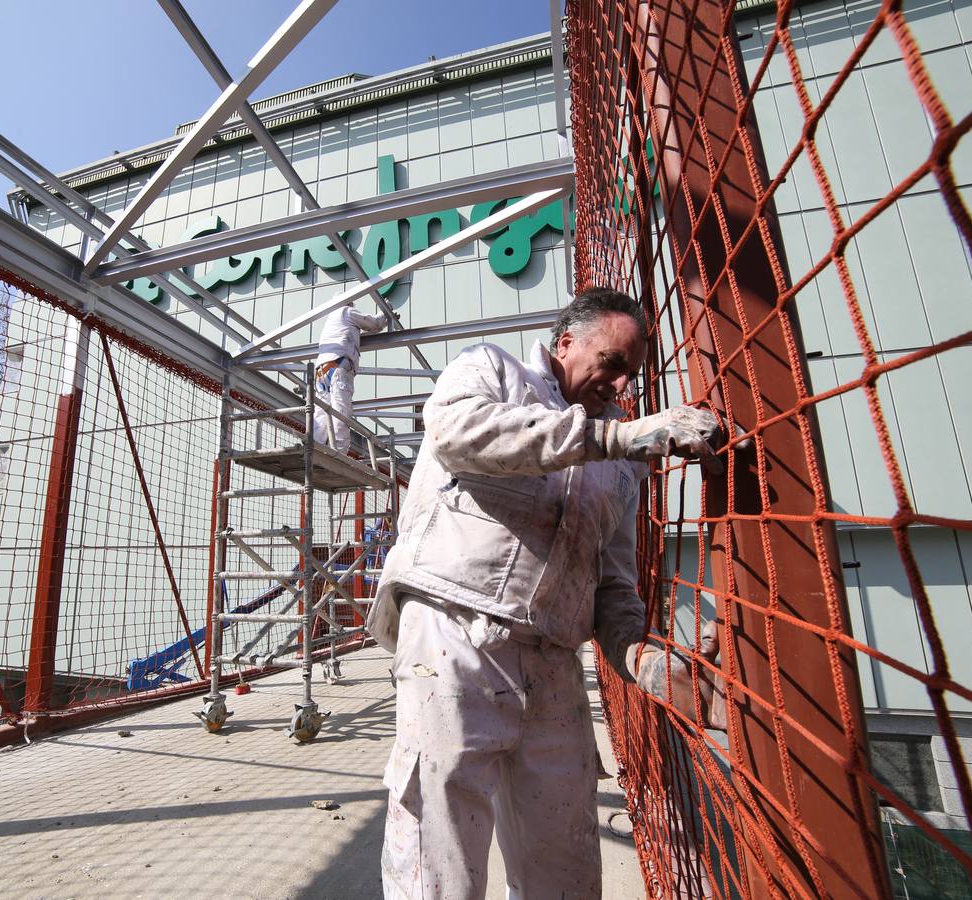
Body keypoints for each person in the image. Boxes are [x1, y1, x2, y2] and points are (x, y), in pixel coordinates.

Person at [366, 286, 732, 900]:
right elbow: (458, 433)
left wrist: (637, 655)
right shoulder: (491, 371)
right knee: (441, 852)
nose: (620, 386)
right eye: (612, 363)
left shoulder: (623, 460)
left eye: (630, 374)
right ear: (565, 342)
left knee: (564, 857)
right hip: (454, 633)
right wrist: (616, 438)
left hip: (555, 659)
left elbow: (612, 579)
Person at [312, 303, 389, 452]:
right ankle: (339, 453)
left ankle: (316, 449)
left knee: (321, 414)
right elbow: (372, 323)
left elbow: (366, 332)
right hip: (339, 365)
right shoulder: (346, 311)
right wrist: (386, 311)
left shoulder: (333, 321)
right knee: (341, 411)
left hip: (322, 370)